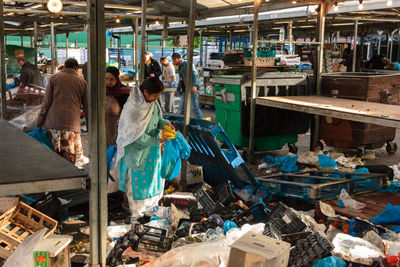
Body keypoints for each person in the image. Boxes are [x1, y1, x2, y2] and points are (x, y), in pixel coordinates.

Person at [115, 77, 174, 220]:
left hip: (152, 154)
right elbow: (134, 137)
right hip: (136, 155)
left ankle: (149, 213)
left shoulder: (153, 105)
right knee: (137, 188)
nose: (156, 99)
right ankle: (137, 217)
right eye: (154, 95)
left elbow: (158, 119)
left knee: (152, 183)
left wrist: (166, 124)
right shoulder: (132, 109)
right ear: (145, 92)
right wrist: (158, 140)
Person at [36, 58, 88, 164]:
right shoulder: (82, 82)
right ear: (77, 68)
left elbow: (46, 103)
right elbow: (87, 106)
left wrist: (39, 121)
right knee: (70, 158)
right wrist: (90, 127)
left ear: (64, 66)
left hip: (52, 124)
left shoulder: (54, 78)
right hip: (71, 127)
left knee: (53, 158)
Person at [171, 52, 204, 119]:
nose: (172, 62)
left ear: (177, 59)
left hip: (191, 89)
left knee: (194, 108)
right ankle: (179, 124)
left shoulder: (187, 64)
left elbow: (195, 75)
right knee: (181, 109)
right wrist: (177, 90)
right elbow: (181, 79)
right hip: (184, 90)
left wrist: (194, 85)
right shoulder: (180, 66)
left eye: (173, 60)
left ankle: (202, 122)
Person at [105, 66, 132, 147]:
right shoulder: (103, 91)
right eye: (106, 78)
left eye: (112, 79)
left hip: (119, 129)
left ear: (117, 79)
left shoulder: (124, 93)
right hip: (105, 128)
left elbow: (128, 115)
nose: (108, 81)